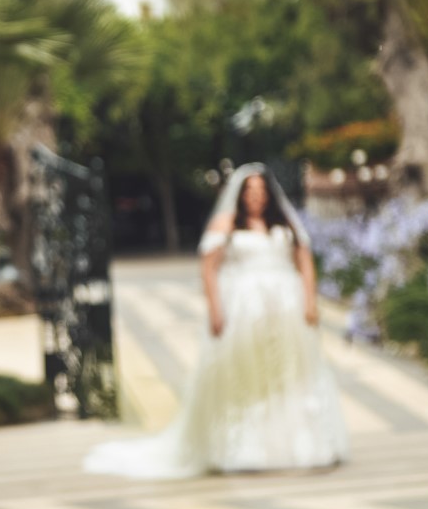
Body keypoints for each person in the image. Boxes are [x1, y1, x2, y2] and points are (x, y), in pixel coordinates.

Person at [84, 163, 347, 479]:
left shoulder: (284, 222)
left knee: (291, 373)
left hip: (285, 308)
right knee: (248, 373)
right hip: (245, 310)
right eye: (250, 191)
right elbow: (209, 267)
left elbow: (304, 259)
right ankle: (244, 445)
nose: (256, 197)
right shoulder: (227, 223)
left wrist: (309, 300)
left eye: (261, 191)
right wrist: (215, 309)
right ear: (240, 195)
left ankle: (298, 443)